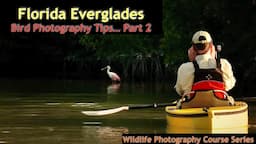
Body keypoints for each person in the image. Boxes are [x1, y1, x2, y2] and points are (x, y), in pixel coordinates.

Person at [174, 30, 236, 108]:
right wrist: (215, 59)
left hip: (193, 107)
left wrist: (192, 61)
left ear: (193, 48)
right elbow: (229, 85)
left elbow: (180, 91)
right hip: (219, 105)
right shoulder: (223, 63)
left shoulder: (184, 67)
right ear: (211, 46)